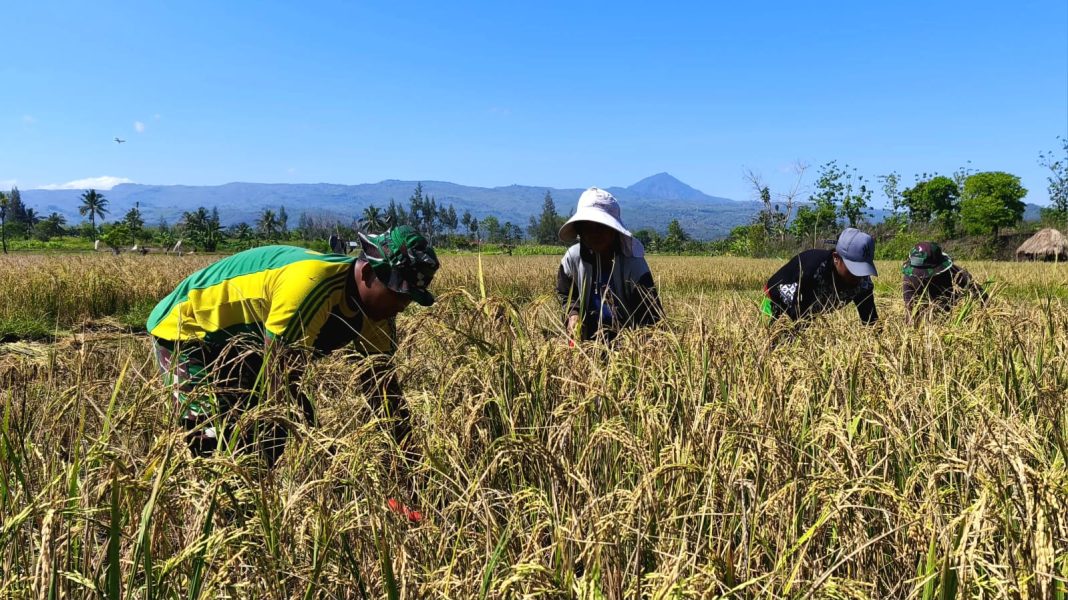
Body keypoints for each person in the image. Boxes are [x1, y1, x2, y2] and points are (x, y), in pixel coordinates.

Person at [147, 225, 438, 519]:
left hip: (247, 344)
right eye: (397, 293)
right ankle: (214, 518)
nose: (402, 305)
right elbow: (278, 389)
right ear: (367, 273)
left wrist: (414, 475)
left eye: (409, 297)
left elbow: (386, 394)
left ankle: (248, 511)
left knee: (263, 440)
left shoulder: (379, 314)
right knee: (213, 438)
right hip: (188, 330)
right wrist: (332, 463)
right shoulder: (312, 285)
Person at [556, 187, 663, 342]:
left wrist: (641, 347)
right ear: (580, 230)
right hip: (586, 344)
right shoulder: (572, 259)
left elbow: (651, 316)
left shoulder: (633, 264)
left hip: (627, 343)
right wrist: (573, 314)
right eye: (588, 227)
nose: (595, 234)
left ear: (613, 230)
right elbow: (565, 295)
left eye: (601, 227)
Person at [762, 227, 879, 325]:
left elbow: (870, 321)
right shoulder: (813, 271)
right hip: (777, 298)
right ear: (836, 258)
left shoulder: (863, 282)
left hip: (809, 306)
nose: (858, 276)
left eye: (862, 270)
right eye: (853, 269)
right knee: (775, 336)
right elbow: (798, 317)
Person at [901, 241, 986, 323]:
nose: (922, 275)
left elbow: (981, 294)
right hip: (927, 317)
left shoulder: (956, 273)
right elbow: (910, 310)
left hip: (954, 312)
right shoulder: (910, 278)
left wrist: (981, 316)